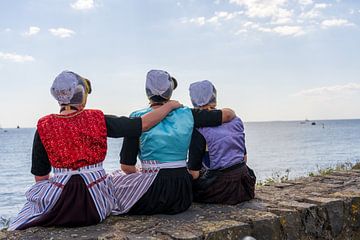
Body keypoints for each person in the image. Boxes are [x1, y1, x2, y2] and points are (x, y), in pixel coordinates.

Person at [8, 71, 181, 231]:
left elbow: (41, 178)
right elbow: (142, 124)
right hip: (95, 204)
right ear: (81, 95)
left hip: (60, 204)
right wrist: (169, 106)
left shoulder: (44, 126)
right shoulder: (97, 119)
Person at [112, 70, 236, 215]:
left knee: (111, 183)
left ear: (147, 92)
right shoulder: (187, 114)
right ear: (170, 91)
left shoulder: (136, 118)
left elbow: (126, 167)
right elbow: (227, 115)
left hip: (153, 193)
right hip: (182, 193)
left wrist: (143, 171)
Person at [187, 80, 256, 204]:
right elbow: (244, 158)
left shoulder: (198, 130)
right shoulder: (235, 120)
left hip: (221, 190)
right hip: (245, 184)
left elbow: (194, 174)